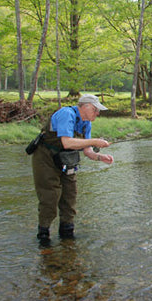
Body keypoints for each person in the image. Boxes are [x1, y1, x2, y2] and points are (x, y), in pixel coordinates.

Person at [31, 94, 114, 243]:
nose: (98, 113)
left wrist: (101, 157)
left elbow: (87, 151)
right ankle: (44, 235)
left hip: (66, 160)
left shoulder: (86, 123)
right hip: (45, 159)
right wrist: (95, 141)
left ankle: (67, 233)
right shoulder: (66, 114)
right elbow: (67, 142)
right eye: (95, 110)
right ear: (86, 106)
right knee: (50, 196)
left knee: (70, 195)